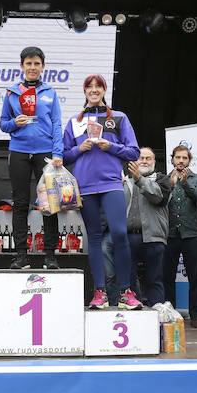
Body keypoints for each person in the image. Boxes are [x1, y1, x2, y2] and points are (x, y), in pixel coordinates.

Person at [63, 74, 141, 310]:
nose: (94, 90)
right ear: (85, 91)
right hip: (85, 186)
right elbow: (64, 156)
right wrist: (79, 148)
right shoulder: (74, 122)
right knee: (94, 238)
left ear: (104, 90)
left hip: (111, 184)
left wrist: (112, 146)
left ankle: (126, 292)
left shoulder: (118, 118)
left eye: (98, 86)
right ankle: (100, 293)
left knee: (119, 233)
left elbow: (134, 152)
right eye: (90, 86)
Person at [0, 46, 63, 270]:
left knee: (49, 204)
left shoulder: (50, 92)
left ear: (43, 66)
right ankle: (20, 256)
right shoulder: (11, 92)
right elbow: (3, 124)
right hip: (18, 151)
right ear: (22, 67)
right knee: (20, 203)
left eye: (37, 63)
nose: (33, 67)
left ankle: (50, 255)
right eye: (28, 63)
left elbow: (56, 124)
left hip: (45, 153)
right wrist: (14, 123)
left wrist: (57, 153)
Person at [164, 145, 197, 328]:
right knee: (167, 277)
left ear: (189, 160)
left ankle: (196, 315)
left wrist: (185, 184)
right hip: (170, 234)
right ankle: (169, 312)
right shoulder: (165, 179)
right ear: (172, 159)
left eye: (184, 158)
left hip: (192, 234)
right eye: (178, 157)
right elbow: (157, 200)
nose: (181, 161)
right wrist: (171, 185)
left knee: (195, 276)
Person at [124, 147, 171, 307]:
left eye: (148, 158)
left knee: (154, 279)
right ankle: (137, 313)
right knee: (128, 278)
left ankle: (157, 315)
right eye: (141, 158)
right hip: (129, 236)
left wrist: (139, 180)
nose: (144, 161)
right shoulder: (124, 180)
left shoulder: (162, 179)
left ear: (154, 162)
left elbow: (158, 197)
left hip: (154, 236)